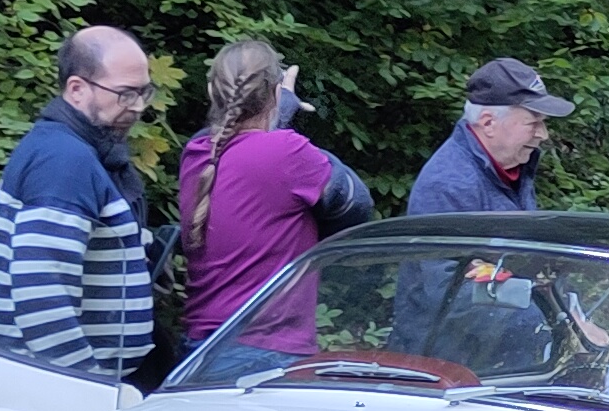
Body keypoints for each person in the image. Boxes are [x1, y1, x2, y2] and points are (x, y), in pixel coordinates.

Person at [171, 38, 377, 363]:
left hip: (198, 348)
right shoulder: (287, 152)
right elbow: (356, 203)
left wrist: (276, 114)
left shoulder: (196, 153)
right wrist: (280, 115)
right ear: (275, 92)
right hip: (264, 347)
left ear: (212, 91)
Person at [0, 25, 158, 377]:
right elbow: (42, 299)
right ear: (76, 89)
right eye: (125, 94)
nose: (138, 107)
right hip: (45, 383)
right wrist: (85, 387)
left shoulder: (77, 150)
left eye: (143, 92)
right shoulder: (63, 161)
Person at [407, 58, 574, 215]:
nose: (543, 135)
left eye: (543, 122)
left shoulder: (513, 166)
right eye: (532, 123)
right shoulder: (448, 187)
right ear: (488, 123)